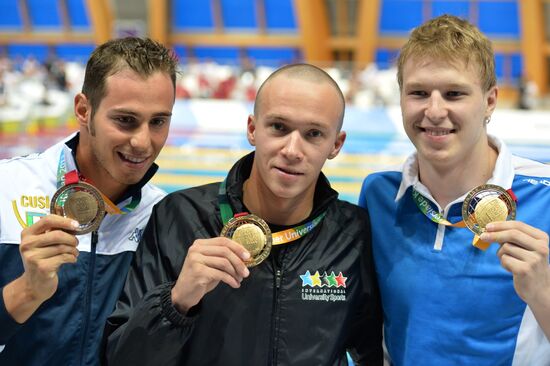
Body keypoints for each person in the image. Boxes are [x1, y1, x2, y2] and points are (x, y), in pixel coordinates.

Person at [104, 63, 383, 365]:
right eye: (279, 127)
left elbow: (372, 352)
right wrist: (176, 302)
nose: (292, 149)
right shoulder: (180, 217)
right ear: (252, 129)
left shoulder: (353, 234)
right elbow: (122, 359)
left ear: (336, 144)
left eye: (313, 134)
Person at [359, 14, 550, 365]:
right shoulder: (380, 196)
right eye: (418, 93)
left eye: (453, 94)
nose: (434, 111)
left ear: (490, 101)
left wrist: (543, 292)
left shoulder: (546, 197)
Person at [0, 37, 178, 365]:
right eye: (125, 120)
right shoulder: (6, 188)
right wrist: (27, 290)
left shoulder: (164, 217)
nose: (142, 142)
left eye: (158, 122)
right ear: (84, 110)